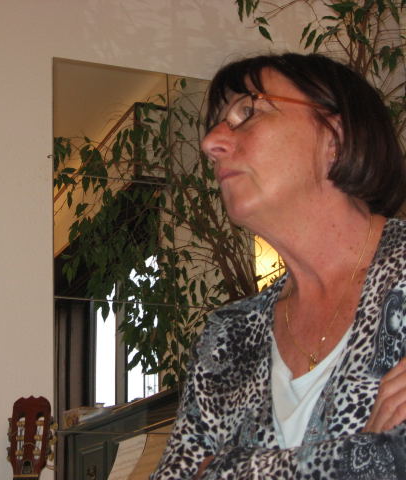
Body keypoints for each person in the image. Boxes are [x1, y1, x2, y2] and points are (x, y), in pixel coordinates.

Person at [151, 52, 406, 479]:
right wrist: (366, 457)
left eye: (248, 112)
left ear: (334, 137)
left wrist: (224, 468)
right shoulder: (228, 337)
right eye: (217, 124)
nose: (211, 143)